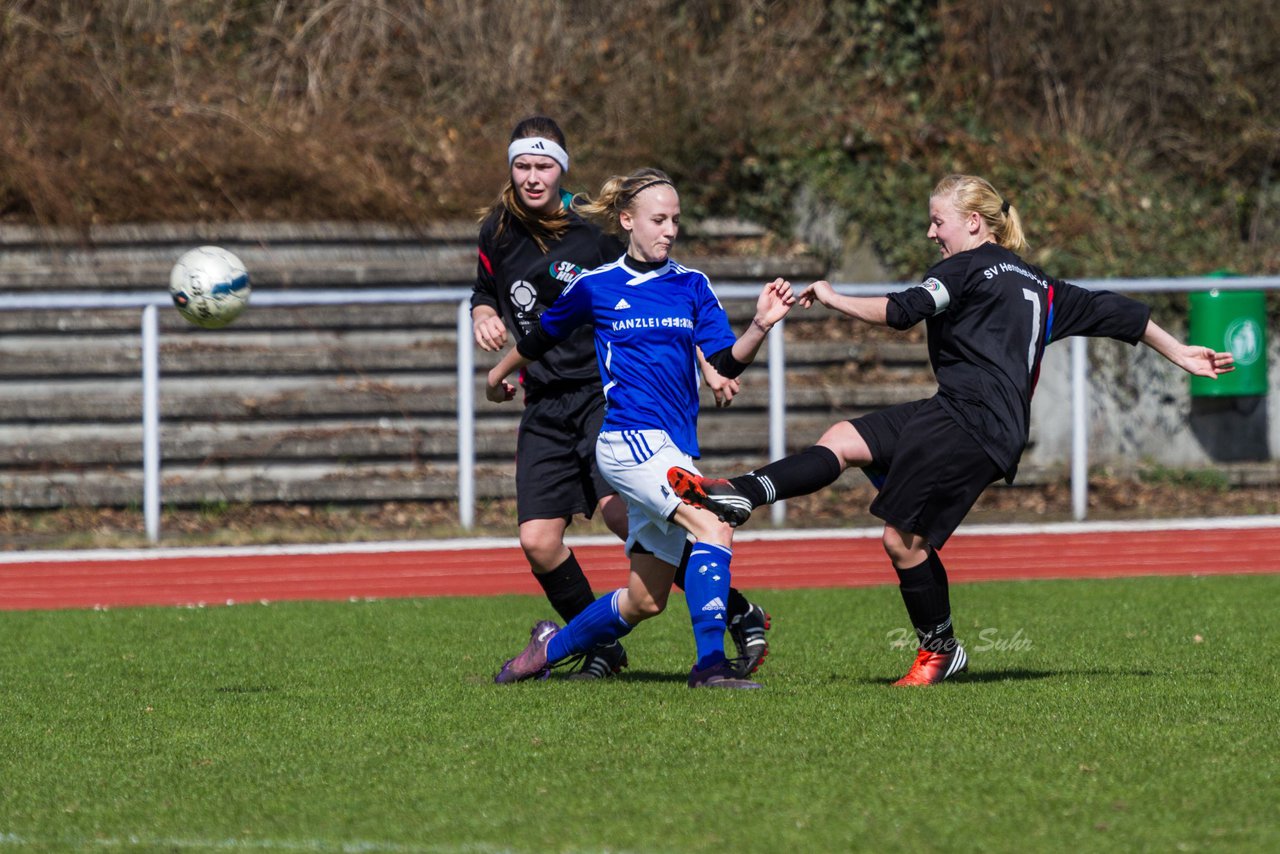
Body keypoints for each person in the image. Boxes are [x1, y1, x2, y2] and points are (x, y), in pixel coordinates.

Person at [667, 173, 1236, 686]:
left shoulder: (965, 266)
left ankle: (939, 652)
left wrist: (833, 295)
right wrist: (1180, 352)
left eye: (938, 221)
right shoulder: (1042, 285)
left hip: (971, 423)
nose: (931, 232)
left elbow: (902, 310)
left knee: (901, 540)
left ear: (972, 222)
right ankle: (743, 492)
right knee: (844, 438)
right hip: (965, 415)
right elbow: (1122, 314)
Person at [472, 119, 770, 680]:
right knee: (712, 524)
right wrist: (496, 367)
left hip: (652, 431)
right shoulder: (590, 278)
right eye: (660, 220)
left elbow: (721, 353)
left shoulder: (688, 282)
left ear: (562, 168)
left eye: (675, 220)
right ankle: (711, 664)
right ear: (630, 222)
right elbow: (538, 333)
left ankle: (548, 651)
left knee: (644, 599)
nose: (670, 230)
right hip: (624, 437)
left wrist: (752, 332)